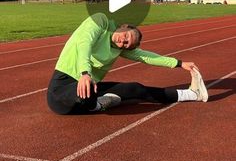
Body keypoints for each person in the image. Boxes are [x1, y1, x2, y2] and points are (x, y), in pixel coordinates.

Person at [47, 13, 208, 115]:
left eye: (126, 44)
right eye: (125, 36)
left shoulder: (119, 48)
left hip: (89, 90)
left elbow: (146, 57)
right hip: (61, 91)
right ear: (123, 26)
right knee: (86, 91)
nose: (122, 41)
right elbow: (85, 44)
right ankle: (97, 104)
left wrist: (179, 63)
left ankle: (192, 94)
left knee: (136, 88)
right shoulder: (100, 21)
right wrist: (85, 74)